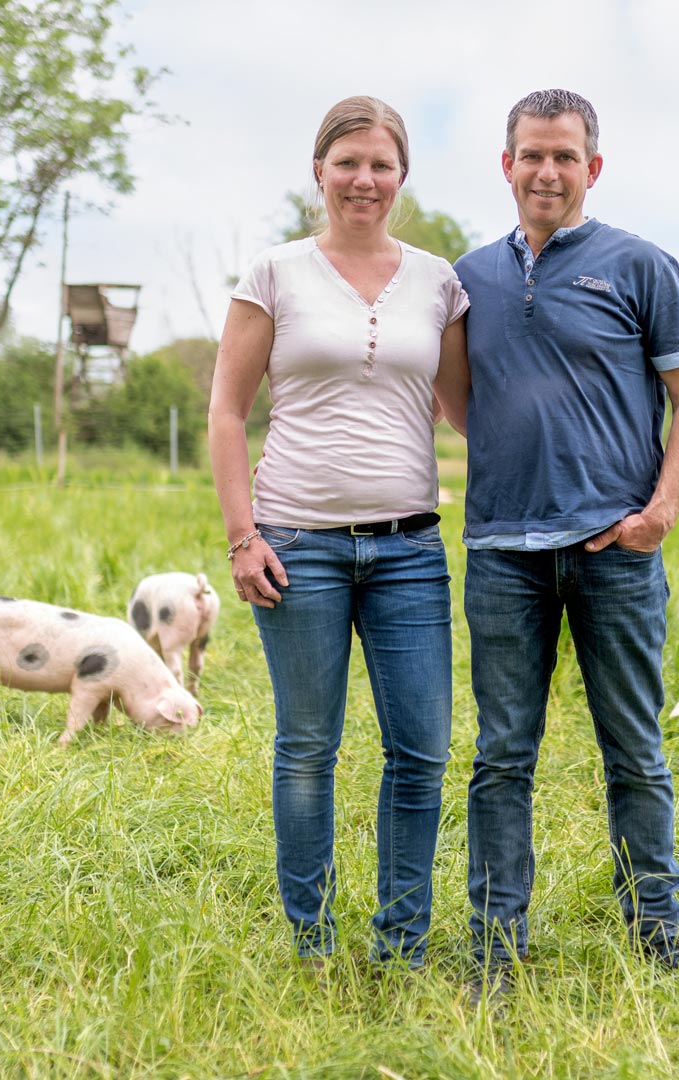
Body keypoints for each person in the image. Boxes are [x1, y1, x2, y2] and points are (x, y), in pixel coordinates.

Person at [435, 88, 679, 997]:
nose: (545, 171)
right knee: (500, 756)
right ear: (506, 165)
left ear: (592, 167)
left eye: (564, 156)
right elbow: (456, 398)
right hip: (502, 556)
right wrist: (522, 460)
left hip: (616, 554)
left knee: (633, 747)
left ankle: (657, 932)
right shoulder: (468, 276)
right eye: (530, 155)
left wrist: (658, 513)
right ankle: (495, 947)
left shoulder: (641, 267)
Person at [208, 95, 468, 969]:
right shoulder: (274, 273)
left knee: (421, 751)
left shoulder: (438, 281)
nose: (365, 179)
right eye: (348, 162)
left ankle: (401, 942)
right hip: (298, 546)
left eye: (381, 164)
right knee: (308, 749)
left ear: (402, 176)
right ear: (318, 170)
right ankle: (310, 940)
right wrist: (245, 537)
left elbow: (470, 410)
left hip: (409, 551)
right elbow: (226, 411)